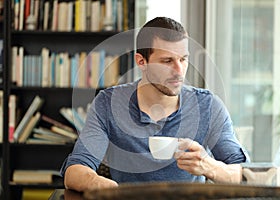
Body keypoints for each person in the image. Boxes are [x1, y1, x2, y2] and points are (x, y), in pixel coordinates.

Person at [60, 17, 249, 192]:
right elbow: (75, 170)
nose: (179, 71)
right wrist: (110, 190)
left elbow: (244, 174)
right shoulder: (108, 104)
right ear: (141, 62)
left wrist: (209, 166)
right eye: (167, 61)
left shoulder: (208, 106)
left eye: (183, 59)